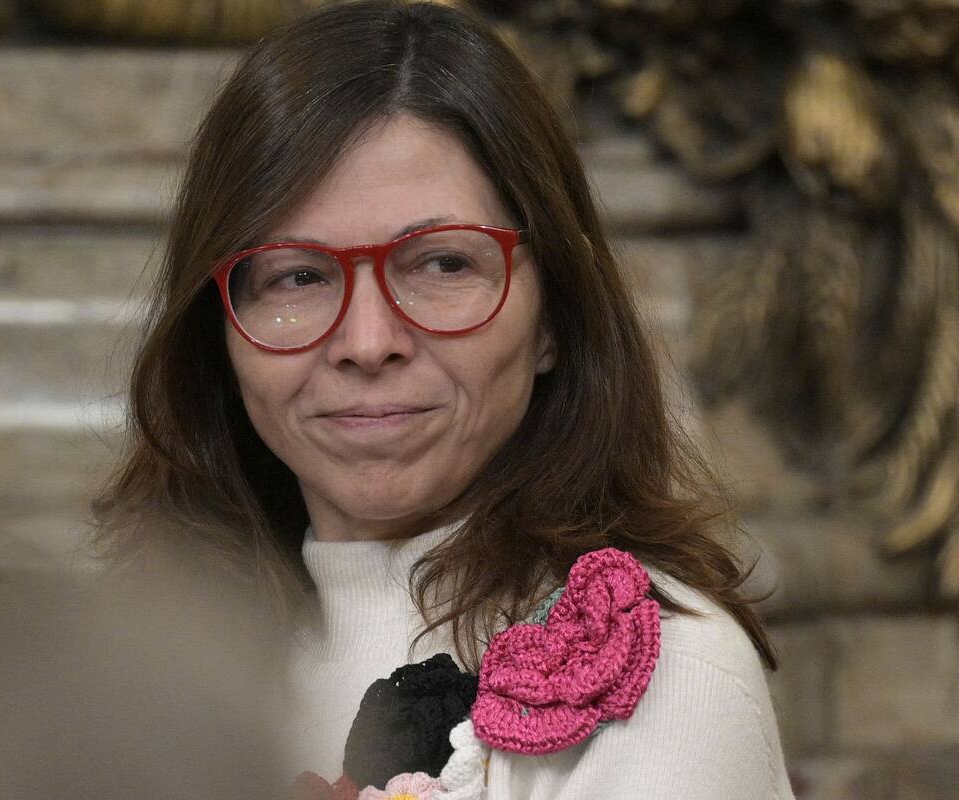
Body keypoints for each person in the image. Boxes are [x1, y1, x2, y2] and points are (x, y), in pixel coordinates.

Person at [94, 1, 796, 797]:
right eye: (298, 276)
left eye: (443, 265)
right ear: (216, 331)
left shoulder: (666, 676)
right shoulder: (144, 672)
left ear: (555, 315)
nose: (367, 342)